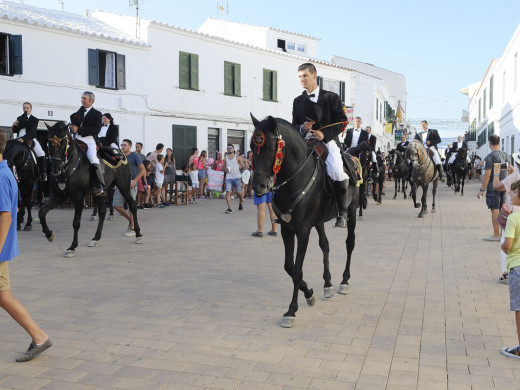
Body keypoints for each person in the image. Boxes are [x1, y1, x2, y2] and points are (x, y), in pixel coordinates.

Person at [0, 131, 52, 362]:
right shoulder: (5, 173)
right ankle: (39, 337)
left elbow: (7, 217)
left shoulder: (1, 176)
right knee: (4, 296)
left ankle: (40, 336)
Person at [292, 63, 349, 227]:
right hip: (306, 141)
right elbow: (294, 124)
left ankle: (342, 213)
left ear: (314, 75)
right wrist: (302, 127)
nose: (302, 79)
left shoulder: (331, 97)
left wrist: (324, 134)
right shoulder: (297, 101)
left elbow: (342, 122)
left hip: (328, 142)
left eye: (305, 76)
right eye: (300, 76)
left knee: (337, 171)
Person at [69, 91, 105, 196]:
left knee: (92, 157)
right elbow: (74, 122)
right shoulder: (78, 112)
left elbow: (95, 130)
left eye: (84, 98)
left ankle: (100, 185)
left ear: (91, 100)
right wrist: (72, 128)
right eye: (82, 98)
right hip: (76, 138)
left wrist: (78, 129)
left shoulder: (97, 114)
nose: (82, 100)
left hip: (89, 139)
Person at [500, 179, 520, 359]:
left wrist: (504, 249)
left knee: (519, 308)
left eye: (513, 193)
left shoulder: (514, 217)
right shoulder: (511, 215)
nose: (511, 195)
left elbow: (507, 245)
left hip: (517, 266)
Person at [478, 134, 511, 241]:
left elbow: (487, 174)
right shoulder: (506, 155)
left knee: (495, 209)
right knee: (504, 210)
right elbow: (510, 171)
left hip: (494, 186)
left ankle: (496, 234)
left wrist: (482, 189)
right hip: (504, 185)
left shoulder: (490, 157)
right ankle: (503, 234)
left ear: (490, 143)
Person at [113, 139, 145, 237]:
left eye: (125, 145)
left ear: (130, 146)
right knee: (116, 205)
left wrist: (135, 180)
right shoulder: (119, 156)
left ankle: (132, 228)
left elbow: (143, 169)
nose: (123, 146)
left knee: (131, 206)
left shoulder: (134, 156)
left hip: (131, 184)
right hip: (120, 184)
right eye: (122, 145)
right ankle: (131, 221)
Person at [12, 102, 47, 181]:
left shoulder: (34, 119)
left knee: (41, 153)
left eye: (27, 108)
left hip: (30, 138)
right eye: (24, 108)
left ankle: (43, 173)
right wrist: (14, 126)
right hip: (19, 138)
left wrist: (24, 139)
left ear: (31, 109)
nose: (25, 109)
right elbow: (16, 130)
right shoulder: (19, 118)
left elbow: (32, 132)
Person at [222, 144, 247, 214]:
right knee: (228, 192)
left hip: (237, 177)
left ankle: (241, 202)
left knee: (239, 193)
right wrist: (225, 169)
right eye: (228, 148)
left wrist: (242, 167)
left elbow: (243, 165)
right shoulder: (225, 158)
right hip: (229, 177)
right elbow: (222, 167)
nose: (229, 149)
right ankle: (229, 208)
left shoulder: (237, 157)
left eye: (230, 148)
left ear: (233, 149)